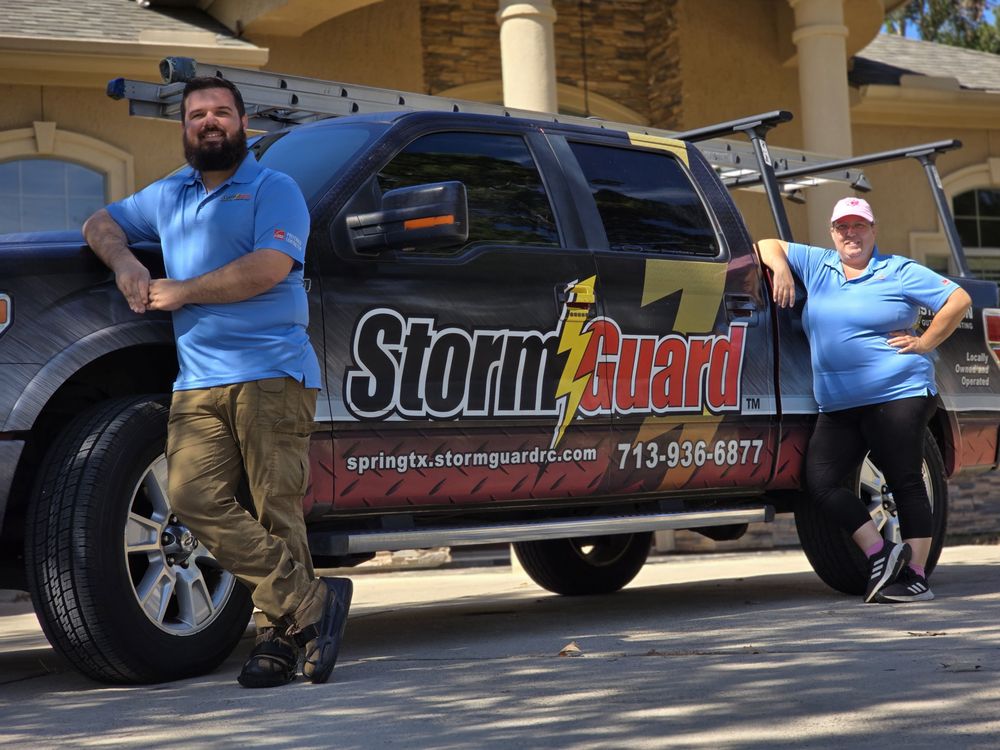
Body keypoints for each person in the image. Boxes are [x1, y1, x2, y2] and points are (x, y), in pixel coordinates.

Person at [82, 76, 351, 687]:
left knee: (275, 509)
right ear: (184, 127)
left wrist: (181, 290)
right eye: (198, 113)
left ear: (242, 123)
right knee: (193, 500)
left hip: (272, 374)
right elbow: (99, 220)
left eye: (221, 113)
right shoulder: (169, 192)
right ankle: (311, 603)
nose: (209, 122)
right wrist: (127, 260)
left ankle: (278, 645)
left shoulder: (274, 188)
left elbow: (269, 266)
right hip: (198, 380)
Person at [757, 196, 972, 604]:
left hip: (898, 392)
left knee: (904, 479)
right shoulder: (817, 264)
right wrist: (782, 266)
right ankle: (882, 553)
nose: (850, 234)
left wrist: (925, 341)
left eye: (859, 226)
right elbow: (766, 245)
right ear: (832, 233)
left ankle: (915, 577)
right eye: (843, 227)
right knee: (819, 483)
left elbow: (957, 299)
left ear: (873, 231)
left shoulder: (898, 270)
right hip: (838, 404)